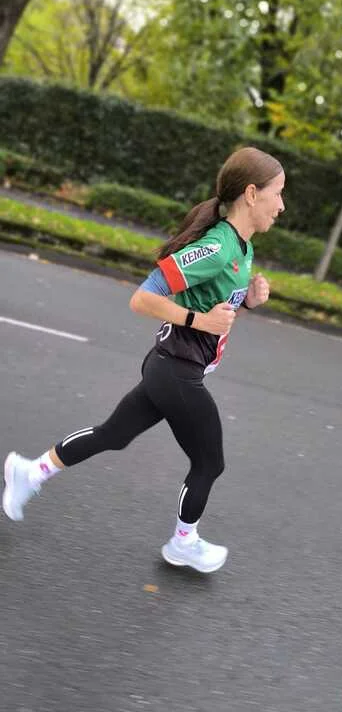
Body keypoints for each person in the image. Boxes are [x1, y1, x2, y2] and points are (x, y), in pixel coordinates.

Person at [2, 146, 285, 574]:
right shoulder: (216, 246)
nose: (281, 206)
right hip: (176, 371)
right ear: (251, 193)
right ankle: (183, 543)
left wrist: (248, 301)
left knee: (113, 434)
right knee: (209, 462)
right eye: (277, 193)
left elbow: (215, 305)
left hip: (171, 367)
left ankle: (30, 472)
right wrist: (199, 321)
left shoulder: (242, 249)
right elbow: (143, 298)